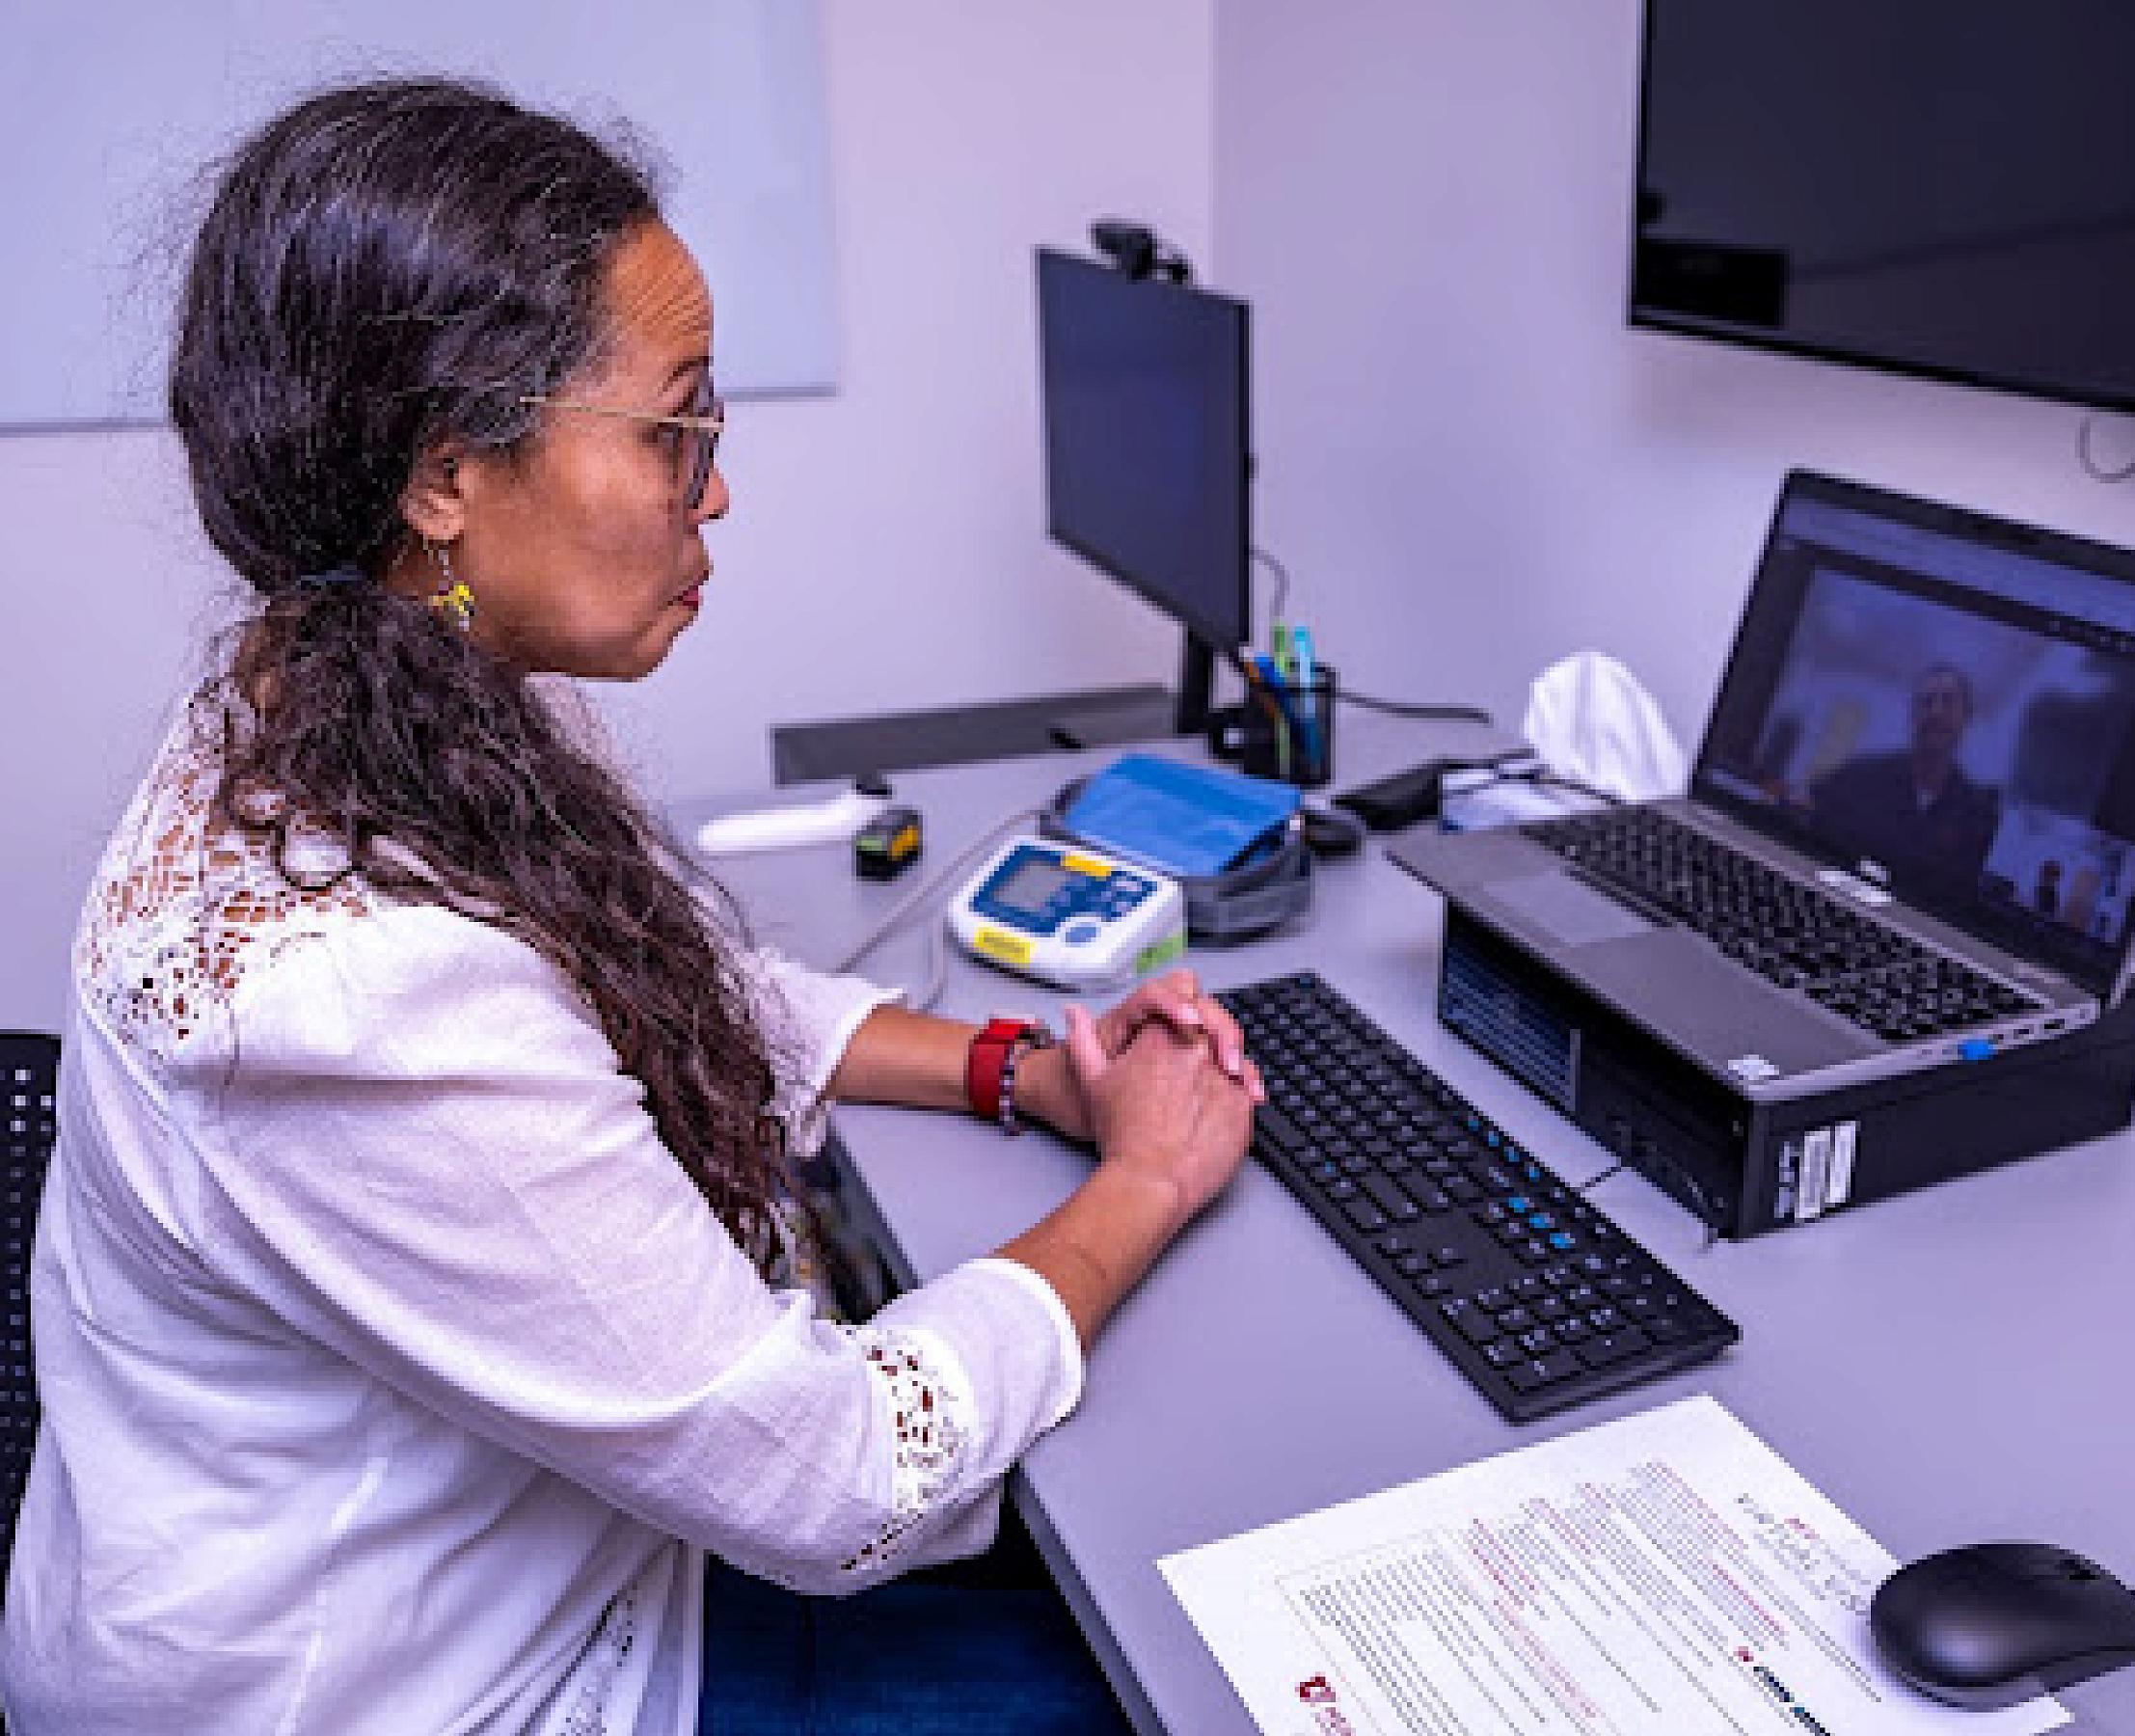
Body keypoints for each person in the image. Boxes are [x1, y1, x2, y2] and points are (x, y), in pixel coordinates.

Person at [0, 79, 1262, 1735]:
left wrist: (1017, 1069)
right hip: (418, 1696)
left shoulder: (365, 679)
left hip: (511, 1564)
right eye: (676, 430)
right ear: (446, 474)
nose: (714, 489)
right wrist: (1152, 1178)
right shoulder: (347, 990)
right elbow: (841, 1481)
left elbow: (675, 981)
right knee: (1168, 1674)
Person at [1807, 662, 2000, 886]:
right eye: (1926, 702)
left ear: (1966, 718)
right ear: (1912, 715)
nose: (1936, 712)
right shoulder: (1855, 779)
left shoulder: (1978, 816)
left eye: (1947, 702)